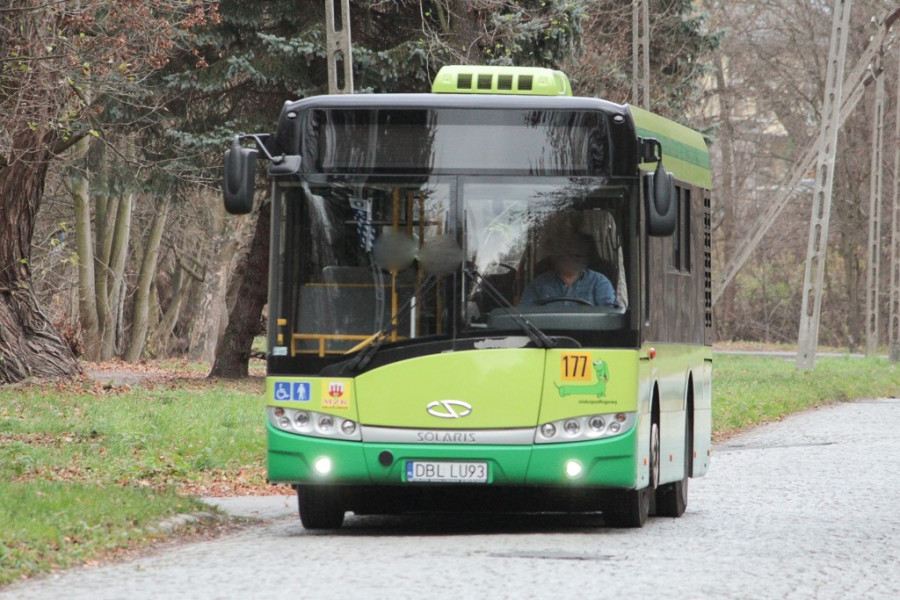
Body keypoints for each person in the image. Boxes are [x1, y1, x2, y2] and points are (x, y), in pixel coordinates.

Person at [519, 234, 616, 307]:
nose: (570, 259)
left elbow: (609, 316)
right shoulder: (538, 285)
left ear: (585, 258)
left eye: (577, 255)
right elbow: (524, 314)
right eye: (565, 254)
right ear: (555, 257)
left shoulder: (599, 282)